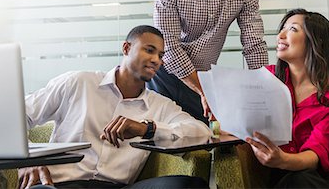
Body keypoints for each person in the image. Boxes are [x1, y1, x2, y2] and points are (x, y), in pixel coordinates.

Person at [18, 25, 211, 189]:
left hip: (117, 186)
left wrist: (148, 129)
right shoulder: (78, 83)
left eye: (161, 55)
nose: (156, 60)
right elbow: (16, 118)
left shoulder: (160, 105)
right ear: (126, 48)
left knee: (188, 185)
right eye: (149, 50)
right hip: (61, 184)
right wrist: (27, 161)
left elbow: (203, 133)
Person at [245, 9, 329, 188]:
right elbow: (239, 112)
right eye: (282, 29)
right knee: (297, 181)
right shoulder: (267, 79)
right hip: (283, 178)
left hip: (325, 178)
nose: (280, 35)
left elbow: (316, 153)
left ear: (316, 41)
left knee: (302, 180)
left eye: (292, 29)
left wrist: (282, 159)